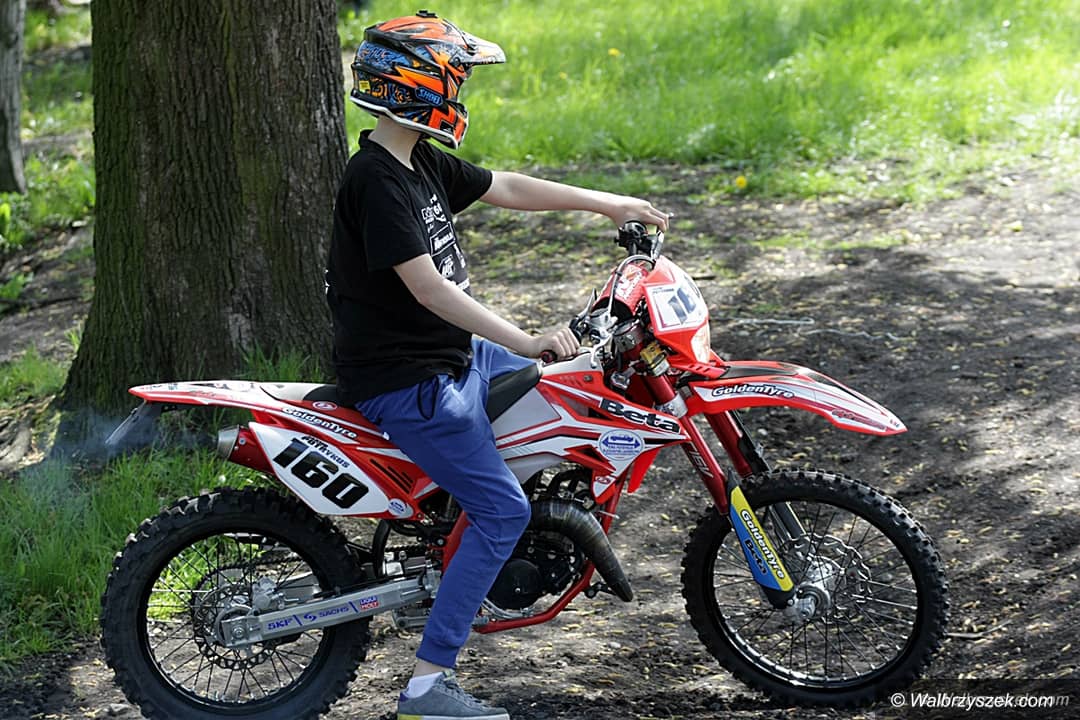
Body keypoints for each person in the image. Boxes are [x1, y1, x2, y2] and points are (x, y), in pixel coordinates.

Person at [325, 12, 669, 720]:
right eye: (456, 79)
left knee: (566, 391)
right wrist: (523, 337)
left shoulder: (417, 159)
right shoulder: (376, 179)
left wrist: (607, 204)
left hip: (448, 355)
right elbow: (429, 289)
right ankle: (427, 686)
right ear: (421, 85)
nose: (462, 92)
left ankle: (477, 527)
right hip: (408, 381)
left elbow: (503, 186)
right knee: (502, 510)